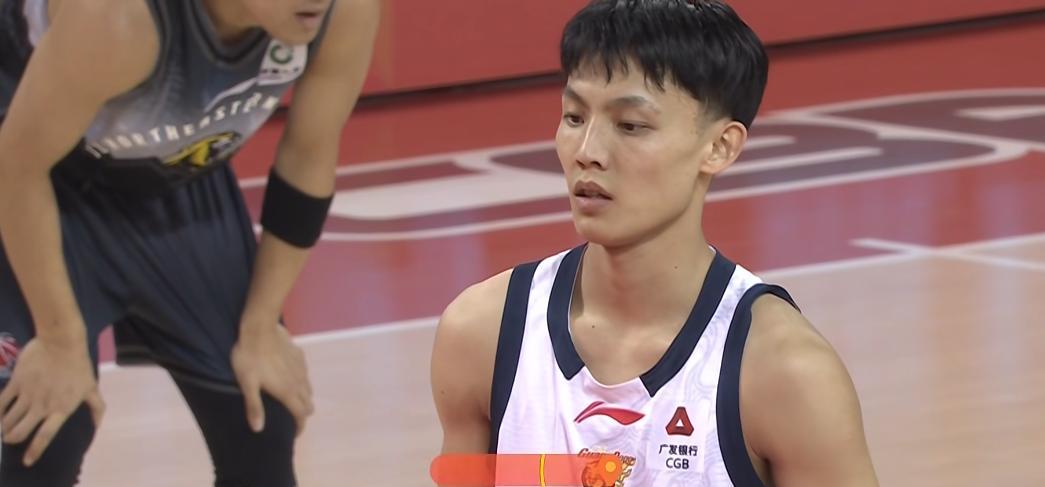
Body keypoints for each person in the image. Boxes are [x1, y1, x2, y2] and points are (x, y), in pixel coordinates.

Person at [430, 0, 879, 485]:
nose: (588, 152)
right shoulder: (482, 334)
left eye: (630, 126)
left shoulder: (785, 374)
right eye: (574, 117)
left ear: (719, 147)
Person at [0, 0, 379, 484]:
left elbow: (308, 156)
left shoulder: (344, 10)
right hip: (33, 171)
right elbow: (17, 168)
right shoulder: (118, 17)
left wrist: (261, 327)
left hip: (169, 179)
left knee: (262, 414)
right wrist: (58, 340)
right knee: (44, 426)